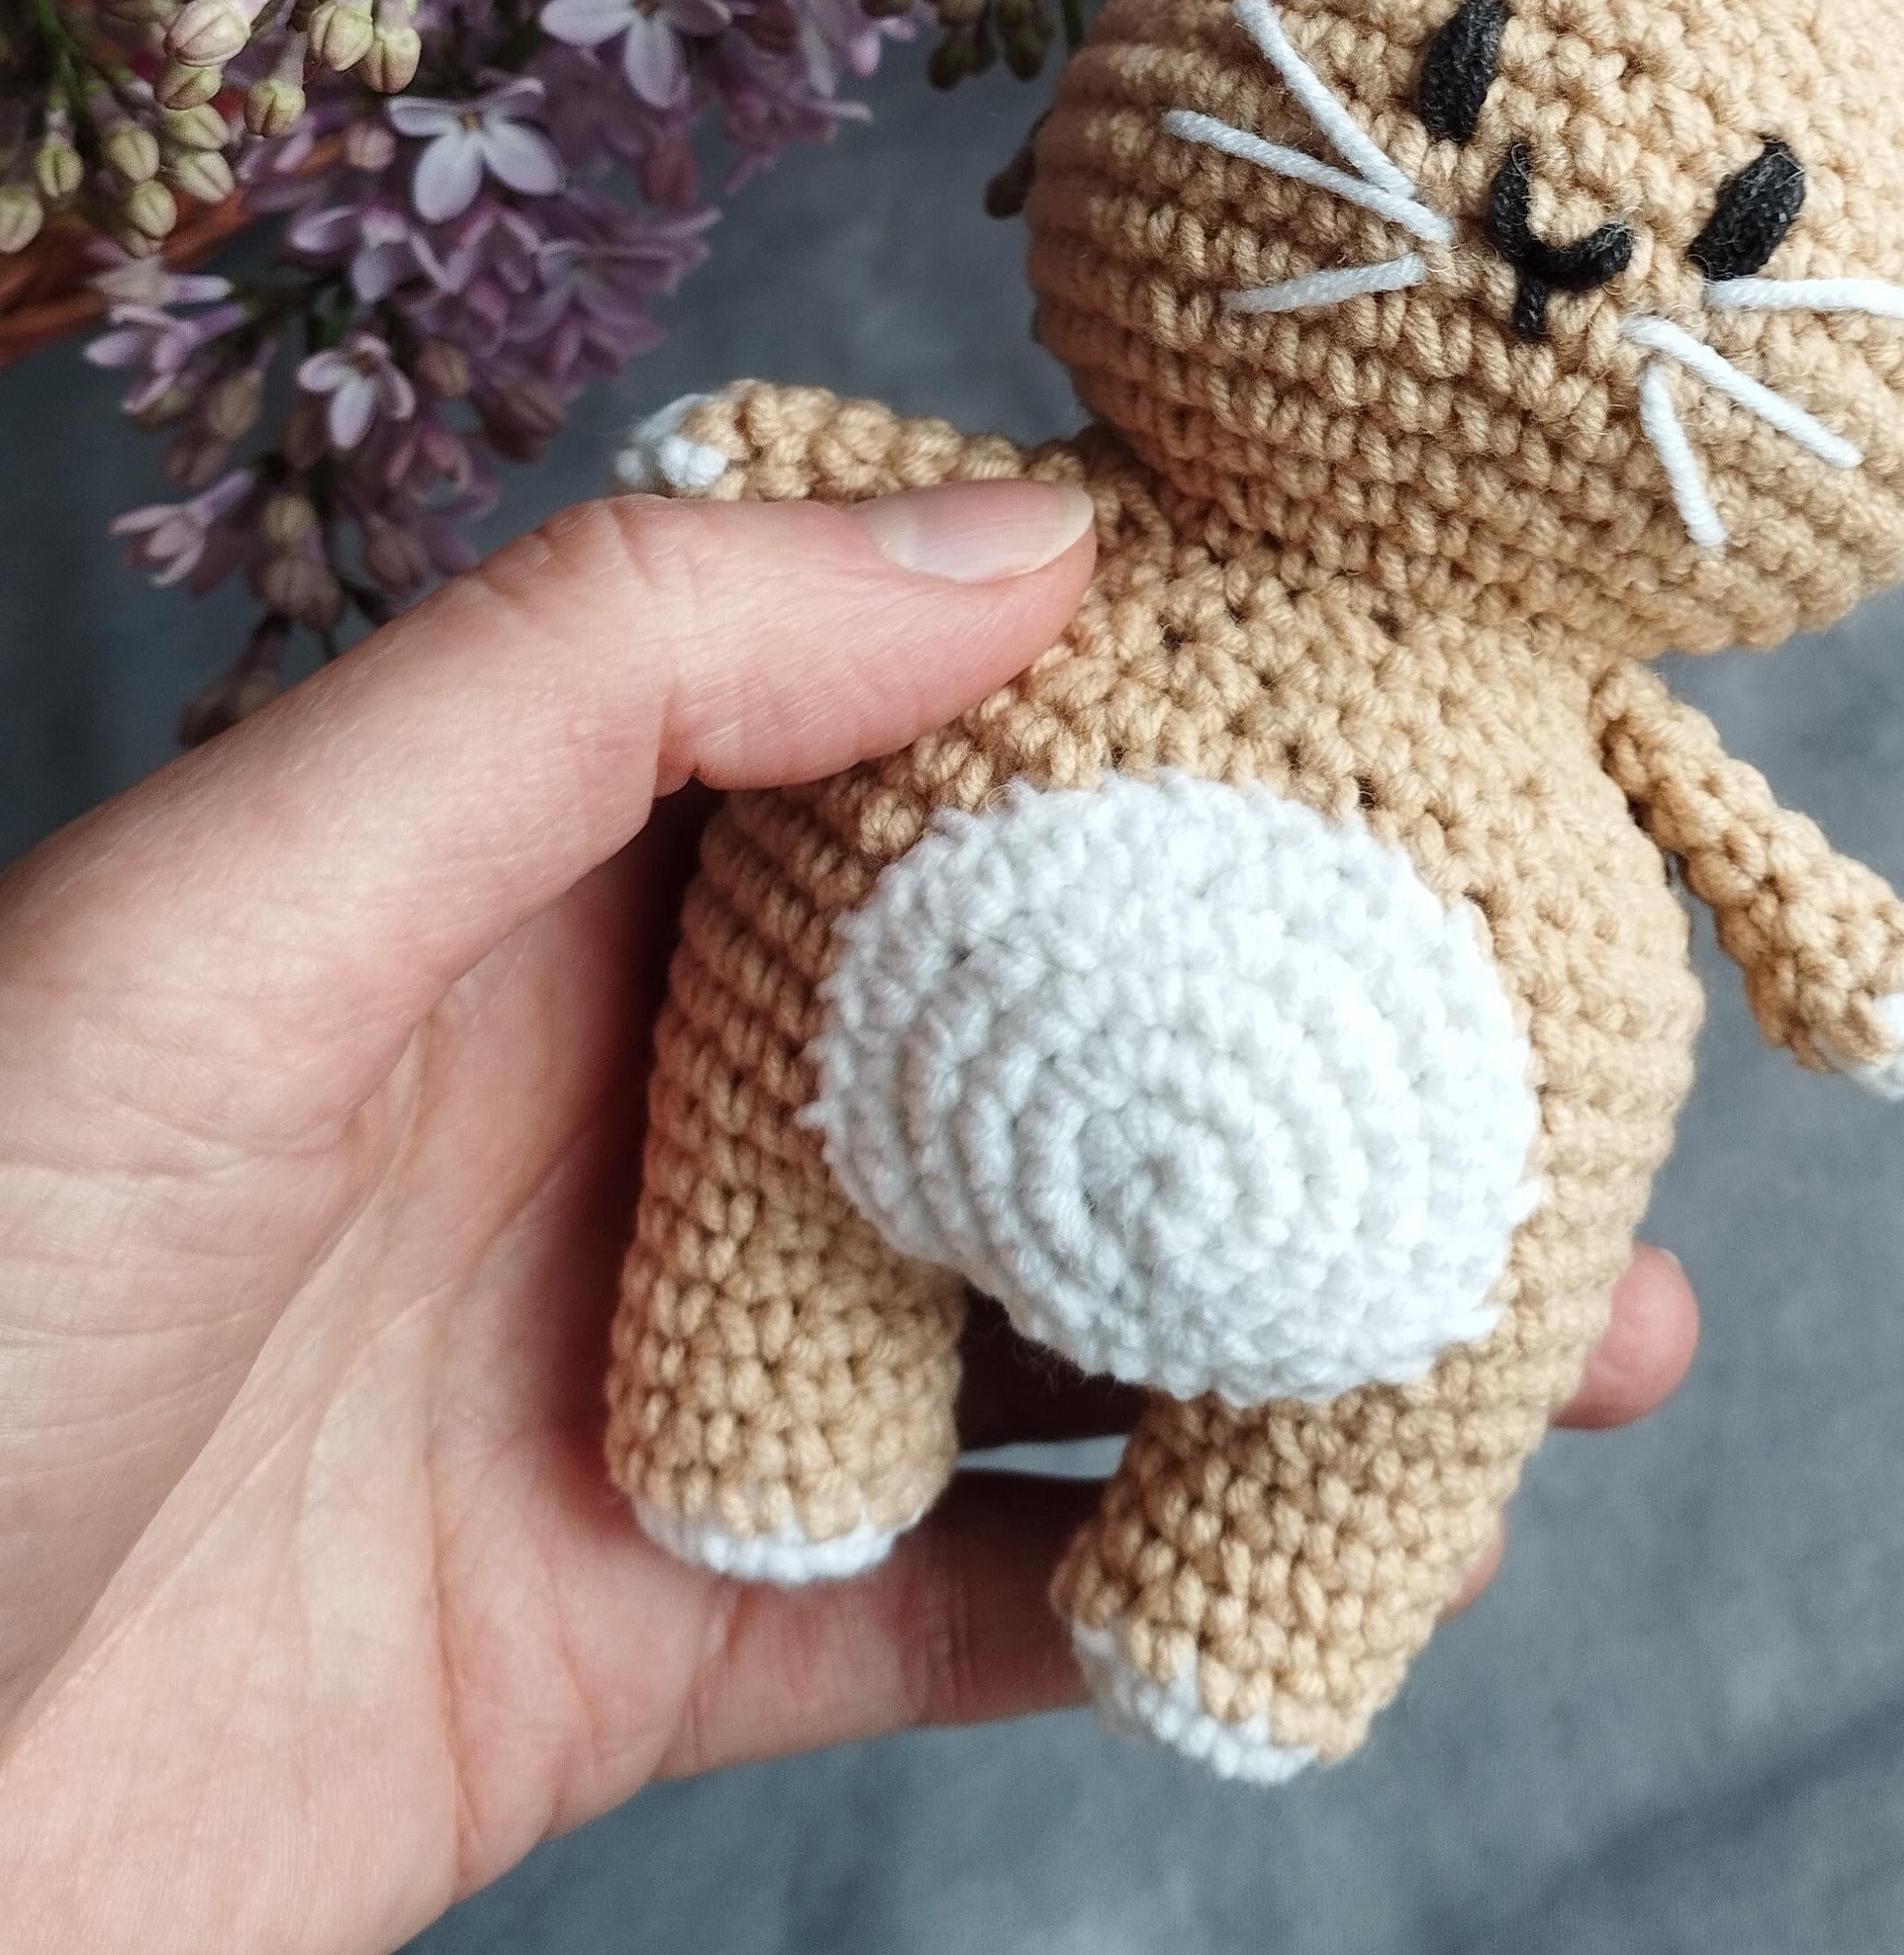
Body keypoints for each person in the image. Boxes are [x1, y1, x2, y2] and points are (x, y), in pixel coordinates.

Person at [0, 480, 1700, 1952]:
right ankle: (779, 1418)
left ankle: (1266, 1600)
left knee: (1403, 1422)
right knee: (775, 1179)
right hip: (849, 1054)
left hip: (1267, 1117)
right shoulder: (1020, 548)